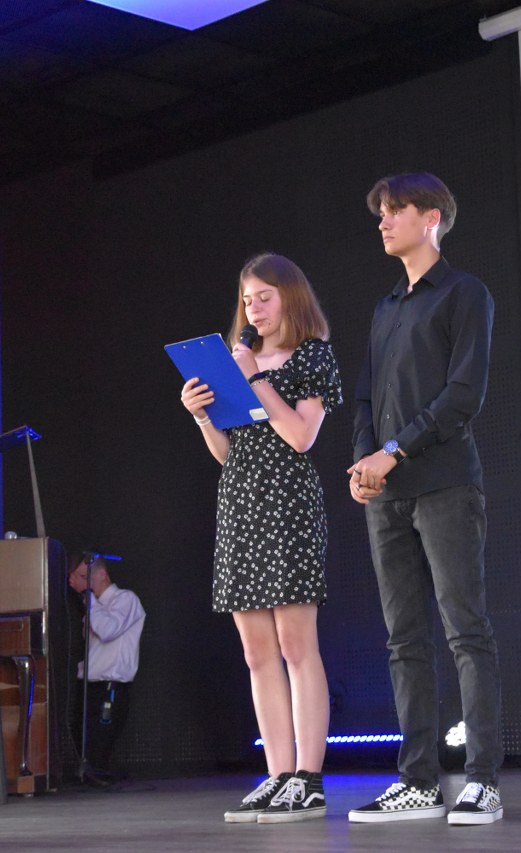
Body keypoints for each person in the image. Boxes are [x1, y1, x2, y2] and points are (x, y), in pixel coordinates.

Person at [347, 172, 503, 825]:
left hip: (444, 485)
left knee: (466, 630)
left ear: (431, 217)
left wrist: (395, 449)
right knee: (403, 639)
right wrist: (365, 460)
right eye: (380, 213)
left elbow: (463, 395)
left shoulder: (465, 293)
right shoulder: (386, 308)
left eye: (395, 210)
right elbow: (365, 395)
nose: (383, 222)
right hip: (387, 496)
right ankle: (416, 780)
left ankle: (483, 781)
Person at [179, 252, 342, 824]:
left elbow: (300, 436)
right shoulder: (236, 362)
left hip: (288, 506)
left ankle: (308, 780)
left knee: (297, 646)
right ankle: (277, 776)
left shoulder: (312, 355)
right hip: (241, 507)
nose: (254, 309)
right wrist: (203, 416)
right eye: (247, 300)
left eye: (265, 297)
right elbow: (230, 455)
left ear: (290, 297)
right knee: (256, 654)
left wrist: (253, 377)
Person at [68, 553, 146, 787]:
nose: (81, 582)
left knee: (100, 744)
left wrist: (88, 597)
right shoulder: (93, 606)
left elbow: (108, 630)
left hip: (110, 686)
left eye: (84, 576)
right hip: (88, 685)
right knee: (83, 741)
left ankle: (102, 777)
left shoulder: (125, 599)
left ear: (101, 574)